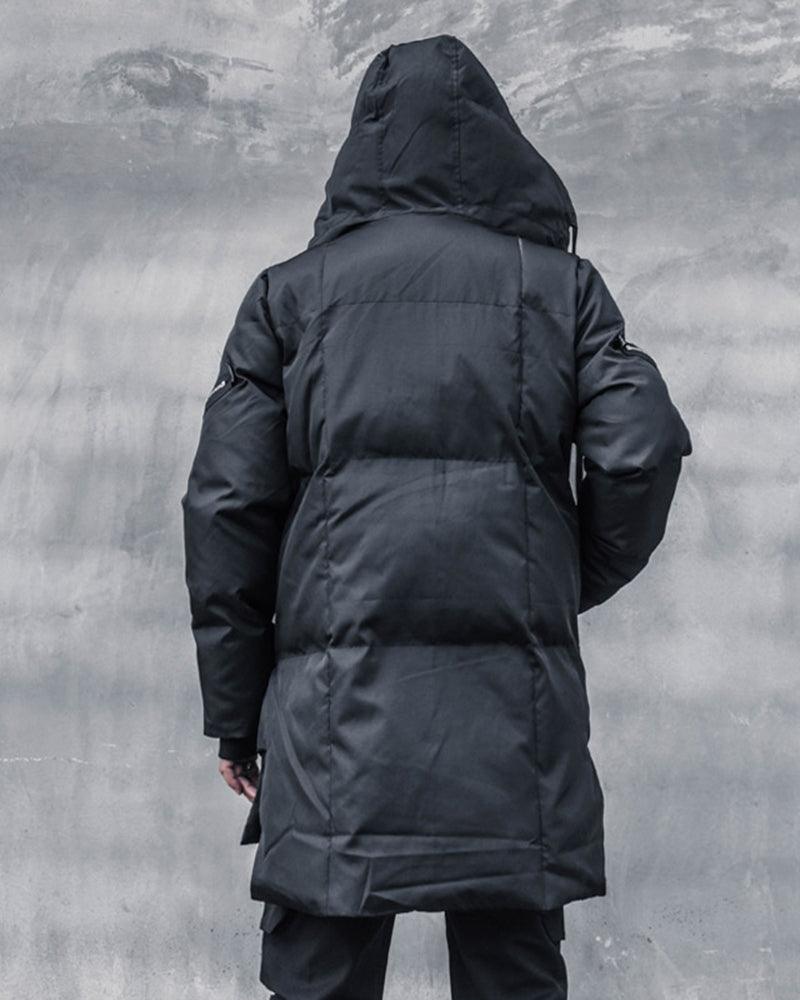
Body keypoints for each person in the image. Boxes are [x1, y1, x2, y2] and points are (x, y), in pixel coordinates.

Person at [181, 33, 692, 1000]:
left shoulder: (289, 297)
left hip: (332, 721)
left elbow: (227, 508)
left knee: (319, 971)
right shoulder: (559, 288)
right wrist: (561, 579)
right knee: (511, 972)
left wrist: (236, 717)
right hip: (510, 721)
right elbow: (642, 447)